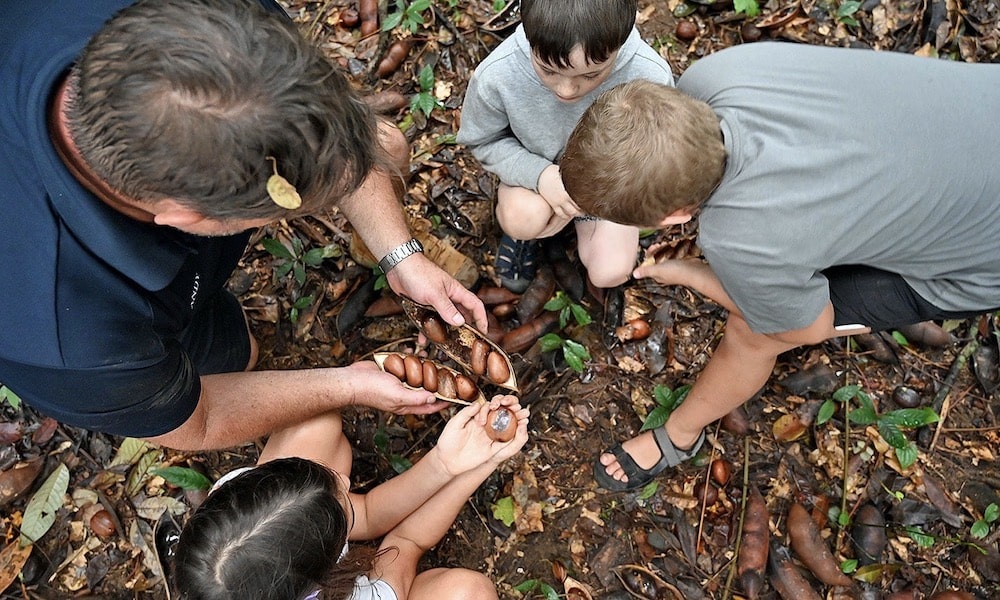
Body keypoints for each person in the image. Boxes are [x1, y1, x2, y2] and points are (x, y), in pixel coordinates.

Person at [0, 0, 487, 451]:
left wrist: (401, 255)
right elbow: (201, 420)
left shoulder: (214, 27)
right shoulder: (75, 339)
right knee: (234, 357)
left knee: (384, 145)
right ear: (186, 218)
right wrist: (351, 383)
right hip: (113, 308)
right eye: (288, 211)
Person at [558, 42, 1000, 491]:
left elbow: (806, 330)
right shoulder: (717, 72)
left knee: (754, 333)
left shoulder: (740, 235)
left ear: (674, 218)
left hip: (981, 260)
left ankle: (679, 435)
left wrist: (693, 274)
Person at [173, 395, 529, 600]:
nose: (345, 479)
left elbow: (368, 513)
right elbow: (406, 540)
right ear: (324, 577)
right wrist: (481, 464)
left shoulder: (232, 504)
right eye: (340, 498)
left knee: (317, 422)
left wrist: (443, 462)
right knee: (468, 592)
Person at [455, 0, 675, 294]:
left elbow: (656, 154)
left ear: (620, 43)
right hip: (534, 182)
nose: (566, 90)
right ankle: (525, 237)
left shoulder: (650, 77)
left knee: (611, 271)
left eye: (590, 75)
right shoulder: (497, 75)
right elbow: (483, 140)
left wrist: (601, 194)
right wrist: (540, 176)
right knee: (523, 217)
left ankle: (573, 228)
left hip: (604, 190)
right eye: (548, 70)